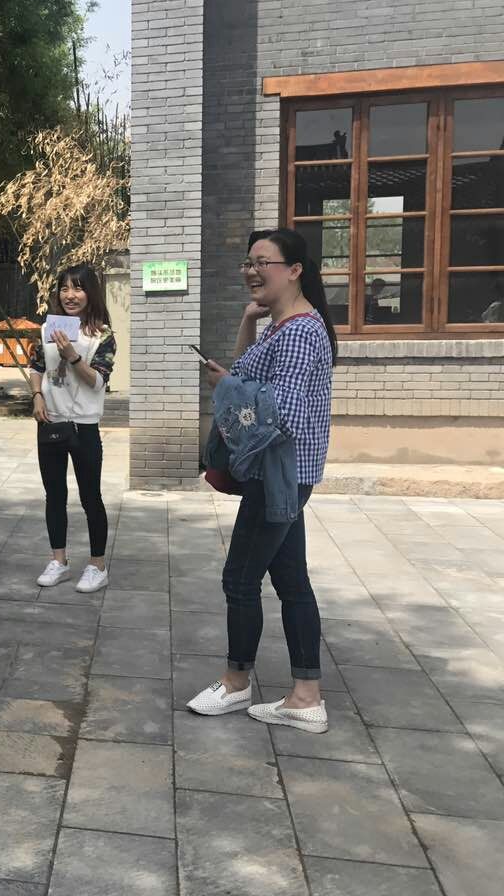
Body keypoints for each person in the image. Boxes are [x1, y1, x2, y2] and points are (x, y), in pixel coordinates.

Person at [188, 228, 337, 734]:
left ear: (294, 270)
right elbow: (245, 372)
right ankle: (305, 695)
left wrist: (227, 386)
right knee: (292, 582)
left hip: (279, 475)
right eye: (248, 262)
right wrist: (247, 322)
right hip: (285, 474)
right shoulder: (281, 326)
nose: (252, 271)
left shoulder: (298, 332)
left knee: (239, 579)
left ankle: (236, 683)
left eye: (263, 263)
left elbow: (283, 413)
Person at [30, 266, 116, 592]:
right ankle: (59, 561)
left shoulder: (103, 335)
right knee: (54, 495)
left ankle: (97, 566)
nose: (70, 295)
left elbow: (98, 381)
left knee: (90, 496)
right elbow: (37, 366)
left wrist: (74, 356)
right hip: (50, 422)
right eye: (64, 288)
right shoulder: (48, 328)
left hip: (84, 427)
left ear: (90, 293)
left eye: (78, 288)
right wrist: (37, 395)